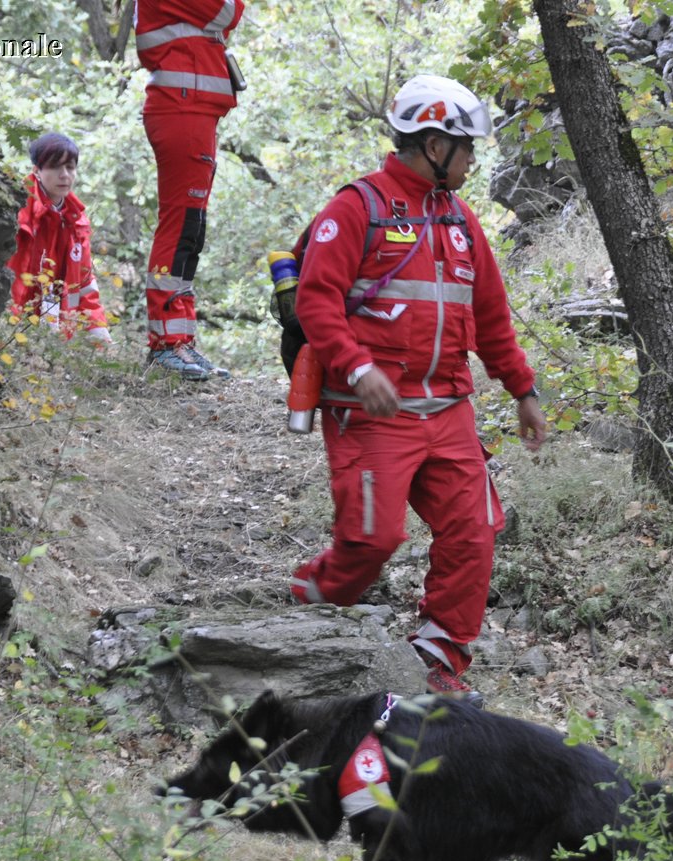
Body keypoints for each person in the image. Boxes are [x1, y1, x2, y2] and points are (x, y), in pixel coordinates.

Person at [289, 74, 548, 695]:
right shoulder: (357, 208)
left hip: (449, 410)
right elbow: (316, 302)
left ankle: (439, 662)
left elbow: (491, 319)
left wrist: (523, 390)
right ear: (434, 145)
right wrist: (356, 366)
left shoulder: (462, 223)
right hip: (371, 413)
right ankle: (311, 596)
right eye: (467, 147)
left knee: (475, 529)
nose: (473, 160)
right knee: (371, 540)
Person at [137, 0, 244, 381]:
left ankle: (179, 338)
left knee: (191, 229)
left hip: (194, 109)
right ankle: (165, 344)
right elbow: (227, 12)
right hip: (181, 110)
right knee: (179, 227)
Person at [7, 132, 111, 346]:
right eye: (55, 167)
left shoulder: (77, 221)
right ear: (37, 171)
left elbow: (85, 286)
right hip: (10, 331)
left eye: (70, 167)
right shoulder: (19, 211)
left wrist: (100, 337)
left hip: (55, 338)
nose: (64, 175)